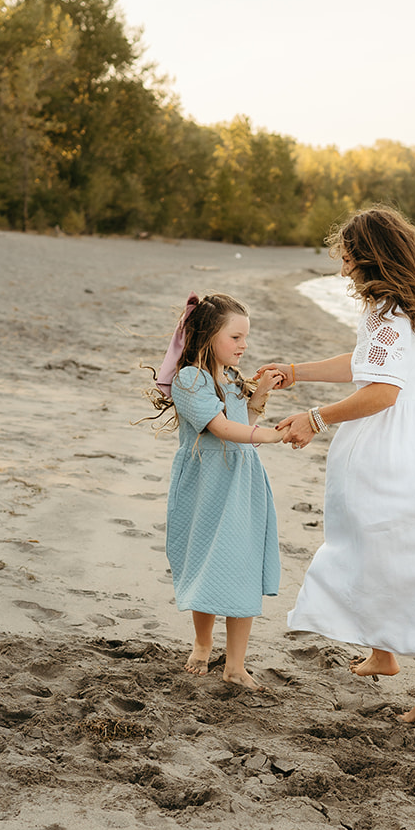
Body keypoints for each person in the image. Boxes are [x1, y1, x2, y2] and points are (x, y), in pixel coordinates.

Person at [259, 207, 415, 724]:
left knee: (392, 548)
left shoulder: (389, 313)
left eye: (347, 260)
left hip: (396, 443)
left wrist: (316, 416)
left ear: (371, 259)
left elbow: (381, 390)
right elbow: (367, 363)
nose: (343, 271)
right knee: (409, 547)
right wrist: (298, 371)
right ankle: (384, 652)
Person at [149, 293, 284, 691]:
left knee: (241, 566)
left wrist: (257, 399)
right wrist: (273, 435)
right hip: (208, 485)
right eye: (236, 337)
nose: (244, 345)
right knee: (209, 562)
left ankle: (236, 664)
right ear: (208, 336)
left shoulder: (232, 379)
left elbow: (242, 424)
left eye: (246, 338)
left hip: (242, 482)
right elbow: (221, 428)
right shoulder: (191, 379)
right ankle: (203, 643)